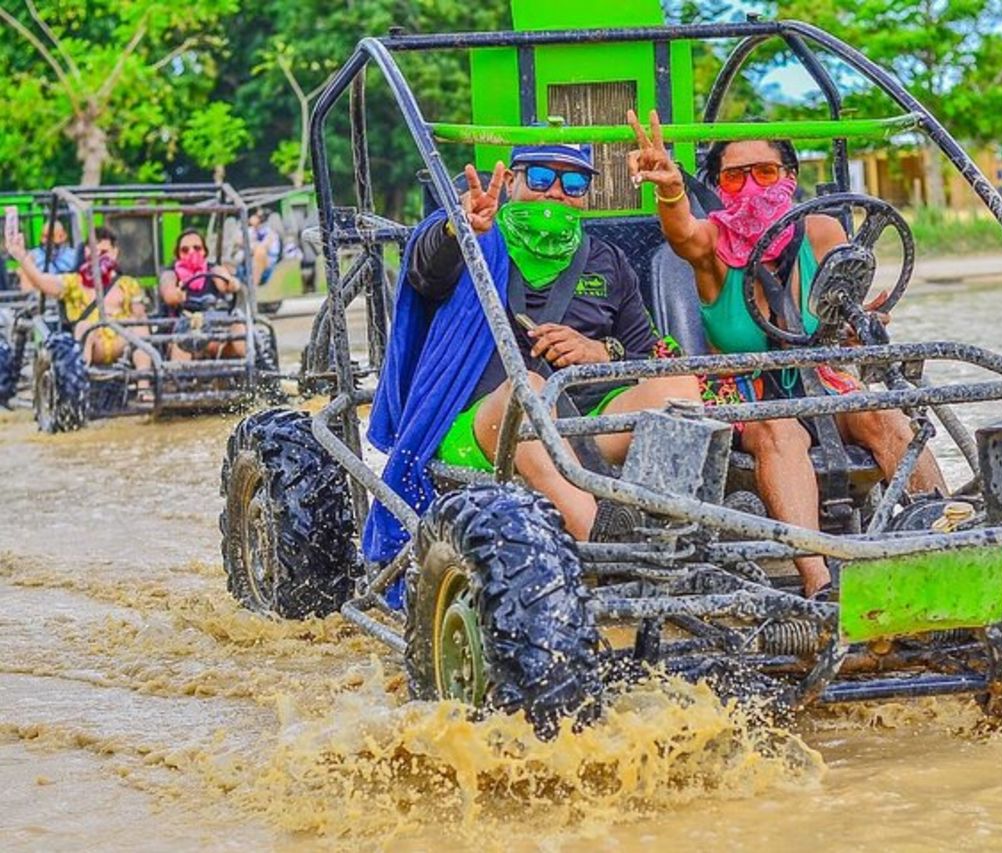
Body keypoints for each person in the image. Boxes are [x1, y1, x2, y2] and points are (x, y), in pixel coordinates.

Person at [628, 109, 947, 597]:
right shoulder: (711, 243)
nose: (752, 186)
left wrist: (860, 328)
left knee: (884, 414)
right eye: (735, 176)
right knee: (780, 428)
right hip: (743, 391)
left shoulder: (821, 233)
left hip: (818, 377)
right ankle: (820, 584)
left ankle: (947, 543)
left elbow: (840, 318)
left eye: (766, 172)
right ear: (717, 187)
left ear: (789, 178)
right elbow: (681, 234)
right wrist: (670, 189)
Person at [363, 140, 701, 573]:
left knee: (679, 385)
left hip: (583, 424)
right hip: (485, 425)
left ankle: (670, 529)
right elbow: (425, 271)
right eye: (542, 177)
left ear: (586, 194)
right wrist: (456, 227)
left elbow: (642, 354)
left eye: (574, 181)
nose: (556, 191)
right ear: (512, 183)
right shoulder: (476, 240)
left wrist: (600, 352)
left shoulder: (607, 261)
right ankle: (608, 549)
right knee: (529, 391)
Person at [5, 226, 152, 375]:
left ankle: (144, 386)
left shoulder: (127, 284)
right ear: (87, 252)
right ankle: (81, 386)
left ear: (115, 252)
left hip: (121, 342)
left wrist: (139, 311)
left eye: (104, 253)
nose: (99, 258)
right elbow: (42, 281)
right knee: (85, 327)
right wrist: (22, 257)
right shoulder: (74, 282)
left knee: (141, 328)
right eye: (94, 252)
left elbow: (139, 316)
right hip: (91, 343)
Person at [158, 229, 246, 360]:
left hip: (216, 333)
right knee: (183, 341)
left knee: (238, 326)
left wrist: (231, 283)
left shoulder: (213, 269)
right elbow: (169, 294)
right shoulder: (170, 274)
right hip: (184, 334)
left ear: (204, 251)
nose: (192, 253)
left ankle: (252, 370)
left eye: (197, 248)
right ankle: (178, 378)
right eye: (185, 250)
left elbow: (225, 282)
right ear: (178, 254)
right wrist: (177, 295)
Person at [248, 208, 281, 288]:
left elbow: (264, 246)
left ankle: (252, 289)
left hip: (267, 267)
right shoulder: (249, 231)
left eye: (256, 216)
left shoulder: (270, 232)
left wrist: (253, 246)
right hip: (249, 263)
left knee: (260, 252)